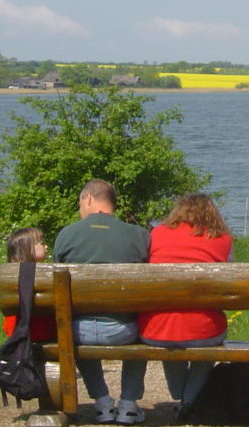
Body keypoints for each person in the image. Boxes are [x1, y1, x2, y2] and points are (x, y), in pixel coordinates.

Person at [53, 179, 150, 425]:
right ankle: (128, 404)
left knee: (77, 320)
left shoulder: (67, 235)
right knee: (144, 325)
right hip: (124, 330)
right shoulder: (138, 235)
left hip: (78, 331)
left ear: (88, 199)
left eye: (79, 203)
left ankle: (103, 403)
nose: (80, 209)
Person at [138, 194, 233, 422]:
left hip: (156, 329)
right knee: (207, 339)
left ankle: (181, 396)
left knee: (173, 332)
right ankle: (188, 401)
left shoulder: (157, 234)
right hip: (204, 330)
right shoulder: (222, 239)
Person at [2, 227, 57, 341]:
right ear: (28, 248)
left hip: (16, 330)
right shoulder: (44, 274)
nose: (46, 246)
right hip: (44, 331)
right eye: (42, 243)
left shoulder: (10, 275)